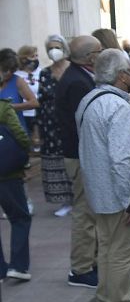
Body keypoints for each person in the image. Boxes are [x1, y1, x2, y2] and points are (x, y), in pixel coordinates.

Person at [75, 49, 130, 302]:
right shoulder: (118, 107)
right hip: (116, 195)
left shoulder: (88, 100)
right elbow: (122, 159)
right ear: (121, 76)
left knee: (106, 250)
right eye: (129, 71)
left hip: (97, 190)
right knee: (121, 251)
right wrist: (129, 200)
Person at [55, 35, 102, 290]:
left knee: (89, 212)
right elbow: (81, 125)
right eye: (99, 51)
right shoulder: (76, 82)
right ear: (89, 57)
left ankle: (90, 261)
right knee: (84, 213)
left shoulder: (78, 76)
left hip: (80, 153)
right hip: (78, 154)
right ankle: (81, 268)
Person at [37, 35, 74, 215]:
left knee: (72, 161)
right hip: (50, 127)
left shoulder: (72, 71)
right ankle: (65, 201)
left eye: (57, 46)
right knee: (55, 161)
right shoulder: (45, 73)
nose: (54, 50)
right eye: (50, 47)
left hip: (69, 124)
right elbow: (41, 100)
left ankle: (77, 198)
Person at [0, 97, 32, 281]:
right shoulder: (4, 107)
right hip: (7, 174)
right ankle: (18, 266)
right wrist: (22, 159)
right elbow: (20, 135)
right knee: (20, 217)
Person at [0, 48, 38, 131]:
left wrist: (12, 107)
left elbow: (34, 103)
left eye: (12, 70)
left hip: (14, 132)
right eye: (6, 69)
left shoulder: (17, 81)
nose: (9, 72)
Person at [15, 45, 41, 147]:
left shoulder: (40, 72)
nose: (35, 59)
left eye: (36, 55)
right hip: (24, 113)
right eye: (32, 56)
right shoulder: (17, 75)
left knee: (38, 142)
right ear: (24, 59)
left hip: (38, 112)